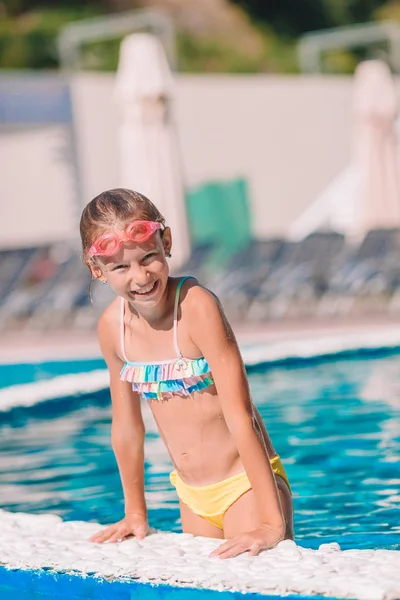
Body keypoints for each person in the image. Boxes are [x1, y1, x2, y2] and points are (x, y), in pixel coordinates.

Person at [80, 188, 294, 559]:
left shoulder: (196, 307)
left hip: (245, 484)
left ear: (167, 242)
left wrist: (271, 523)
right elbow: (127, 427)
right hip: (191, 494)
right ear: (97, 270)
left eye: (149, 257)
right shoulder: (112, 328)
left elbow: (241, 416)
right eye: (121, 267)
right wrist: (135, 512)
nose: (140, 275)